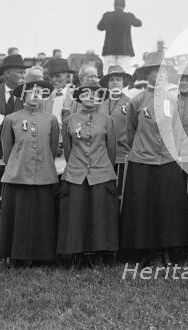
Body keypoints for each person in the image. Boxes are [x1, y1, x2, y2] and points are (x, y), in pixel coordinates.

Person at [120, 53, 188, 264]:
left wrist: (173, 152)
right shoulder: (137, 100)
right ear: (148, 75)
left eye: (163, 72)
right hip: (142, 160)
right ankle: (145, 251)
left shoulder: (171, 99)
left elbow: (177, 130)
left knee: (167, 206)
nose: (160, 75)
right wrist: (142, 149)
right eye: (155, 71)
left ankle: (166, 251)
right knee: (143, 207)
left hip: (167, 161)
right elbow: (131, 130)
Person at [0, 79, 59, 264]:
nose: (36, 96)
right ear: (23, 96)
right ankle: (17, 255)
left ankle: (43, 256)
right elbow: (7, 150)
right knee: (19, 217)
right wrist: (18, 165)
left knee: (42, 217)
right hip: (18, 175)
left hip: (44, 175)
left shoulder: (51, 120)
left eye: (40, 93)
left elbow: (53, 148)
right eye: (31, 92)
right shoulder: (11, 119)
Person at [57, 84, 118, 264]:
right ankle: (75, 254)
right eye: (86, 94)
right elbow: (68, 149)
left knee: (100, 214)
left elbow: (111, 149)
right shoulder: (70, 120)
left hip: (101, 171)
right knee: (76, 214)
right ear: (78, 97)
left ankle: (101, 254)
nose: (90, 97)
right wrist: (77, 165)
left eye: (95, 94)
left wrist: (103, 167)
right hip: (76, 172)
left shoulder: (107, 120)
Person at [97, 0, 142, 73]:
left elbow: (100, 27)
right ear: (124, 6)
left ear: (114, 5)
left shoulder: (107, 15)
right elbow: (139, 23)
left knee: (108, 73)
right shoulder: (129, 16)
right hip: (125, 49)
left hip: (109, 49)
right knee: (123, 73)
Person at [98, 66, 133, 161]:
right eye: (111, 80)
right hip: (102, 154)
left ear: (123, 83)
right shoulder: (101, 103)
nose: (114, 82)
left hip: (122, 154)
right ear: (107, 83)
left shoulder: (130, 103)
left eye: (118, 79)